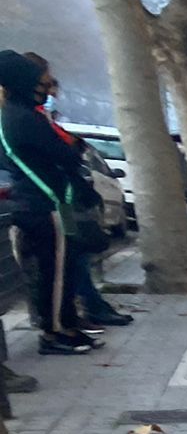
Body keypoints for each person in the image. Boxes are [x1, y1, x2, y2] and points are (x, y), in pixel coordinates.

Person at [0, 49, 94, 355]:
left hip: (50, 203)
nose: (46, 88)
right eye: (40, 82)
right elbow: (64, 153)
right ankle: (54, 332)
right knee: (53, 271)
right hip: (42, 204)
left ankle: (67, 324)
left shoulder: (24, 115)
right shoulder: (21, 118)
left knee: (63, 268)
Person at [24, 60, 131, 330]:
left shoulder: (38, 116)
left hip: (64, 198)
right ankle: (78, 312)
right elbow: (61, 151)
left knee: (75, 253)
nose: (52, 91)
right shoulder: (26, 118)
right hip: (53, 201)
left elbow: (68, 146)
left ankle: (83, 307)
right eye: (47, 84)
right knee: (68, 257)